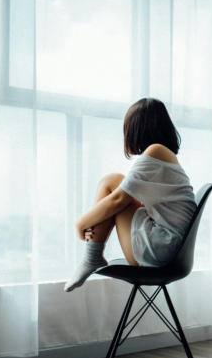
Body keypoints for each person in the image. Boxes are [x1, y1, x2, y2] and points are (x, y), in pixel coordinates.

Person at [64, 98, 196, 292]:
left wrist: (80, 224)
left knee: (111, 182)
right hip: (169, 249)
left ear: (137, 128)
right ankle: (92, 256)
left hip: (161, 251)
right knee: (114, 181)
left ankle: (91, 256)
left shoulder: (156, 151)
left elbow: (118, 200)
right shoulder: (164, 156)